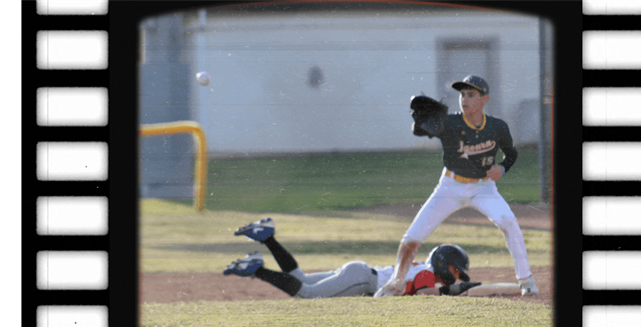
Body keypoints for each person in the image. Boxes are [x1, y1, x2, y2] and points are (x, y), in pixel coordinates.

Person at [375, 75, 539, 297]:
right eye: (462, 94)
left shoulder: (498, 127)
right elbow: (421, 130)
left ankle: (526, 279)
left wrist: (502, 167)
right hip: (449, 187)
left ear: (484, 99)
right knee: (411, 239)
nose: (465, 99)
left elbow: (511, 153)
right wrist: (421, 124)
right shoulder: (449, 123)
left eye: (471, 94)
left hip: (483, 188)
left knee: (508, 221)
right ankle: (396, 283)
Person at [223, 218, 481, 298]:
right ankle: (257, 269)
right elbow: (406, 294)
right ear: (441, 262)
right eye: (455, 269)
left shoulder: (422, 270)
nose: (456, 274)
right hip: (362, 279)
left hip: (359, 272)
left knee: (300, 280)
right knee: (307, 295)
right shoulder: (425, 275)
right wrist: (453, 290)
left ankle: (267, 238)